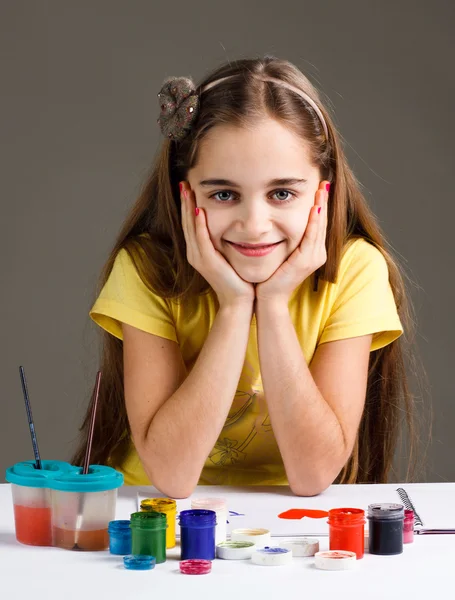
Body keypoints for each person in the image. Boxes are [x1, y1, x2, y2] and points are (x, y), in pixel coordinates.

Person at [72, 56, 417, 498]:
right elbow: (173, 477)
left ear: (322, 193)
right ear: (186, 194)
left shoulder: (355, 271)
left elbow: (313, 476)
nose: (254, 224)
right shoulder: (145, 269)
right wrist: (235, 306)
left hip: (286, 519)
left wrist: (272, 305)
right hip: (153, 508)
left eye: (281, 193)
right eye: (223, 194)